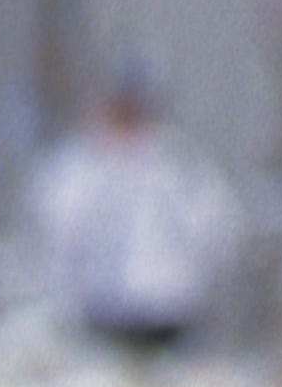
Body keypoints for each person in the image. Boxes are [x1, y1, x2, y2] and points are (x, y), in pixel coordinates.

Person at [25, 71, 240, 350]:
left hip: (168, 317)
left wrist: (192, 284)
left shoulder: (178, 165)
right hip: (98, 314)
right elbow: (53, 224)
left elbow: (219, 229)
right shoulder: (79, 164)